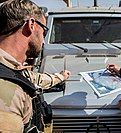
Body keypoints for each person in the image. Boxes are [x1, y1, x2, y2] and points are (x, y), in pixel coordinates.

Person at [0, 0, 71, 132]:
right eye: (44, 31)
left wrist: (60, 76)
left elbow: (32, 79)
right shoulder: (6, 89)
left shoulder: (11, 68)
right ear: (31, 25)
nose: (43, 41)